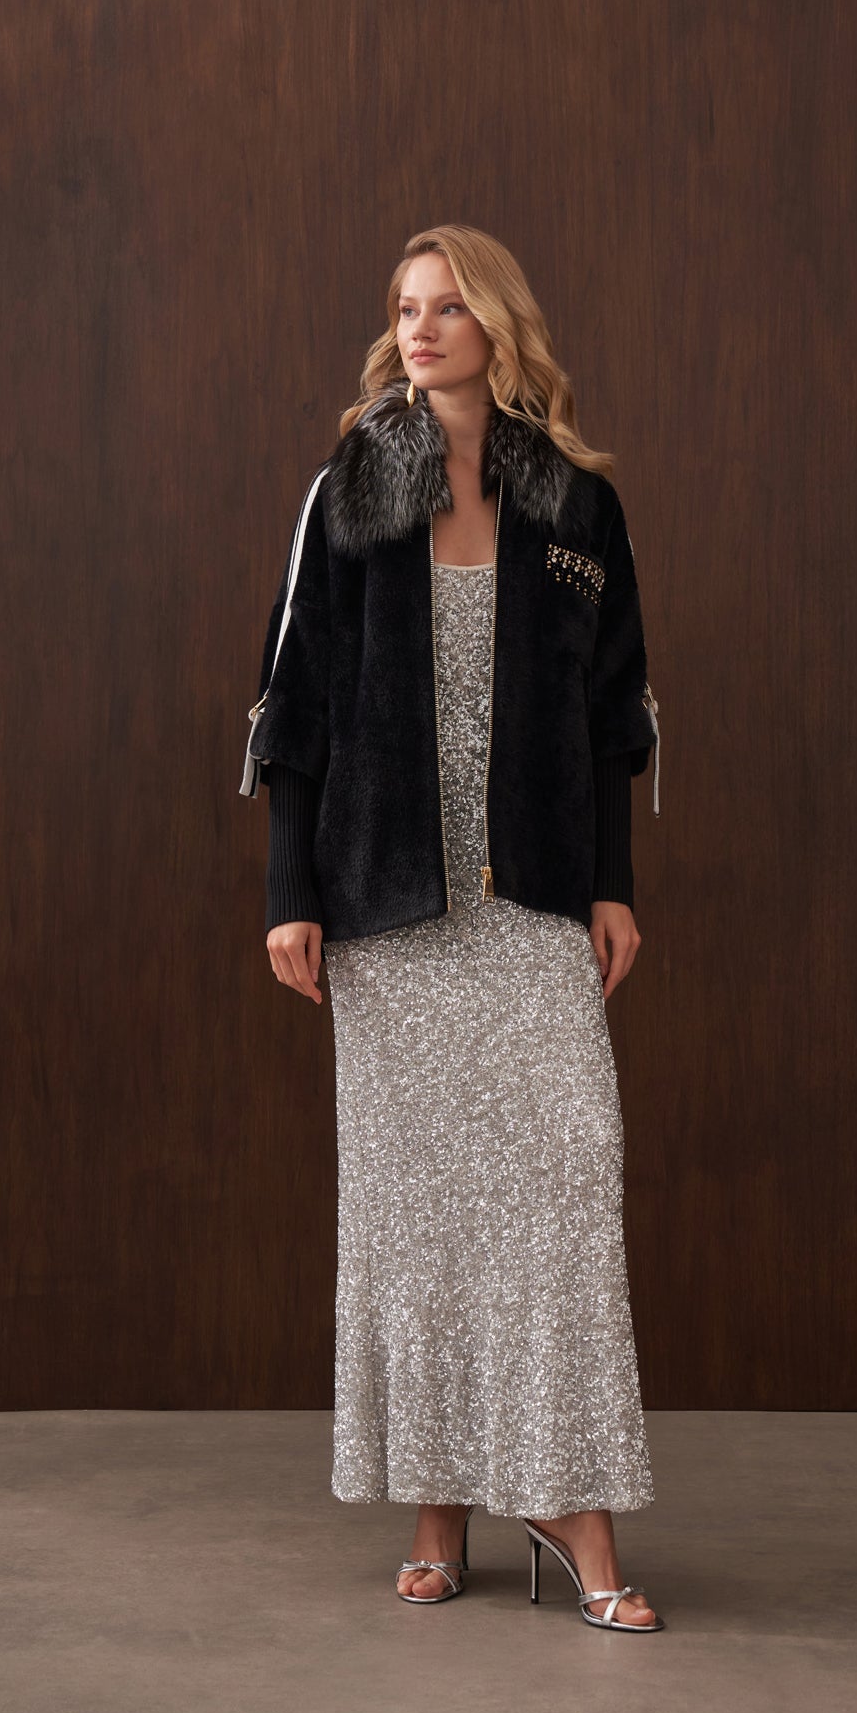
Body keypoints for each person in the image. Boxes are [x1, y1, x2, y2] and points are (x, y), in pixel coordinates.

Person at [240, 224, 664, 1633]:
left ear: (497, 325)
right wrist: (291, 894)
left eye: (446, 307)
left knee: (563, 1189)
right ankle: (437, 1510)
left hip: (531, 894)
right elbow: (292, 702)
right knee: (417, 1213)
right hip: (387, 906)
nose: (418, 329)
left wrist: (611, 884)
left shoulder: (576, 505)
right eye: (404, 309)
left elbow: (614, 714)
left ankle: (565, 1499)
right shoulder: (349, 491)